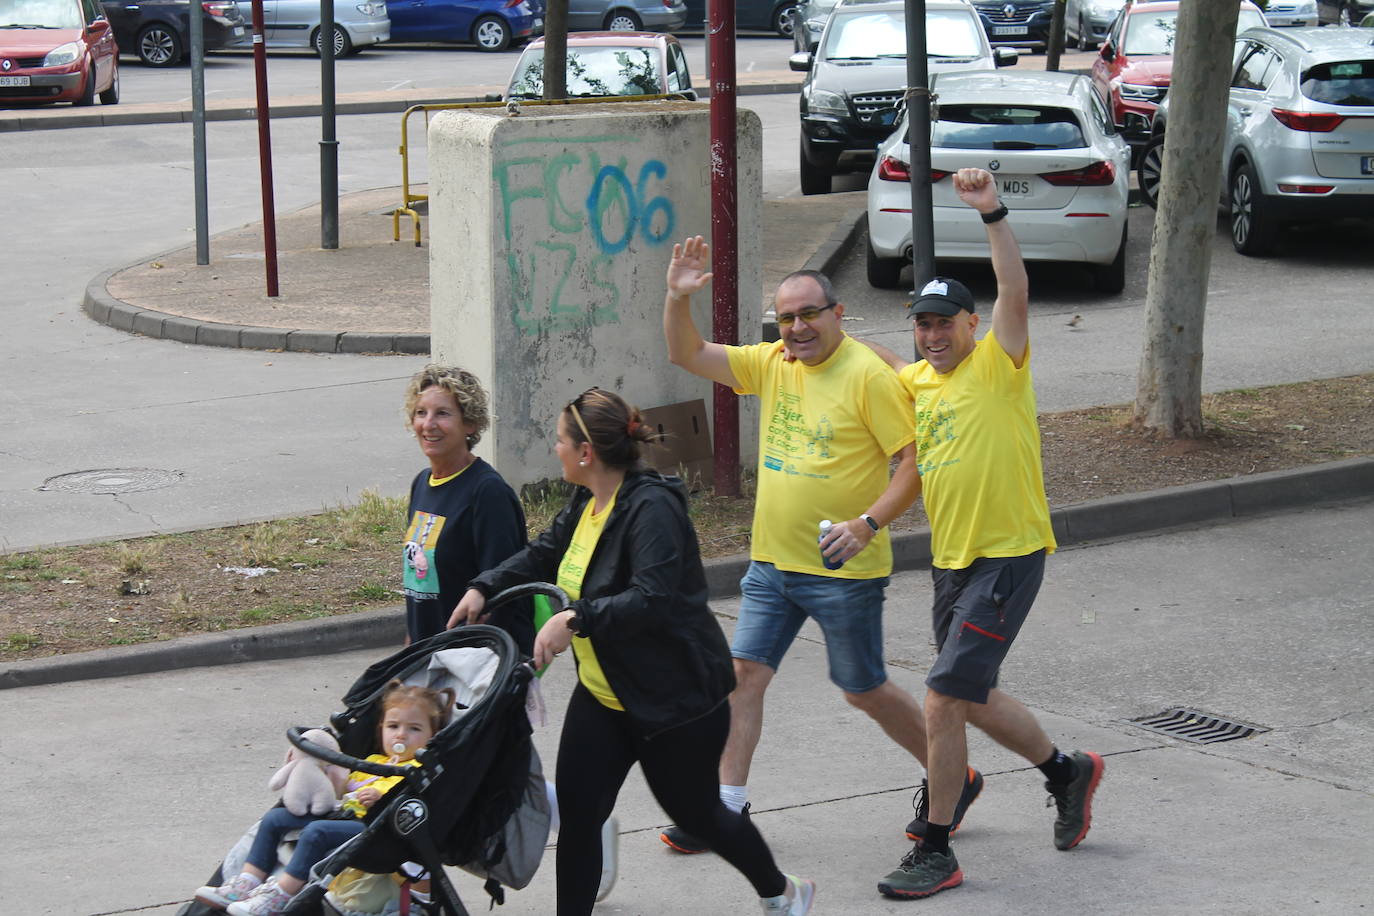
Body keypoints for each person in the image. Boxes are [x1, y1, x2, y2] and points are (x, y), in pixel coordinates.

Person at [659, 239, 982, 856]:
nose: (798, 327)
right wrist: (677, 297)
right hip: (772, 563)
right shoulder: (773, 362)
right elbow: (688, 352)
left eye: (810, 314)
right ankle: (725, 809)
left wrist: (867, 524)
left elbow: (913, 463)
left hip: (844, 571)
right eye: (787, 317)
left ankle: (951, 775)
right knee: (742, 675)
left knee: (863, 690)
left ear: (838, 314)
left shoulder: (868, 376)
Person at [448, 388, 815, 916]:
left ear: (585, 453)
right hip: (605, 694)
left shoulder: (652, 508)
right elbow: (544, 552)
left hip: (674, 700)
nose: (555, 448)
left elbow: (654, 598)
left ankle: (782, 891)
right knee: (580, 817)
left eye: (560, 440)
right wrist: (485, 586)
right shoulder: (588, 501)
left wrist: (574, 618)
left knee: (699, 815)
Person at [871, 167, 1104, 900]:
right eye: (923, 324)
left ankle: (936, 849)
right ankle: (1067, 772)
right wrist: (808, 339)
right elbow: (877, 365)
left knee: (942, 698)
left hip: (1008, 554)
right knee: (969, 696)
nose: (933, 335)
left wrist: (992, 213)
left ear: (972, 324)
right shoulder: (919, 382)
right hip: (953, 562)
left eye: (945, 322)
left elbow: (1015, 288)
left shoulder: (1001, 363)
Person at [194, 681, 453, 915]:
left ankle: (282, 895)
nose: (400, 735)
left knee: (316, 832)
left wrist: (379, 796)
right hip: (342, 814)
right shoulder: (373, 760)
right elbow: (342, 788)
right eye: (393, 726)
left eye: (414, 728)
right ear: (381, 728)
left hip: (374, 828)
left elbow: (411, 804)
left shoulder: (419, 770)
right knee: (275, 818)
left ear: (432, 736)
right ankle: (246, 882)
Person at [401, 365, 533, 652]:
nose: (428, 424)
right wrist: (412, 644)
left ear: (470, 423)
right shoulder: (421, 484)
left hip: (473, 659)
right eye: (421, 412)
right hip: (427, 655)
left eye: (442, 413)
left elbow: (504, 586)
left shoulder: (487, 492)